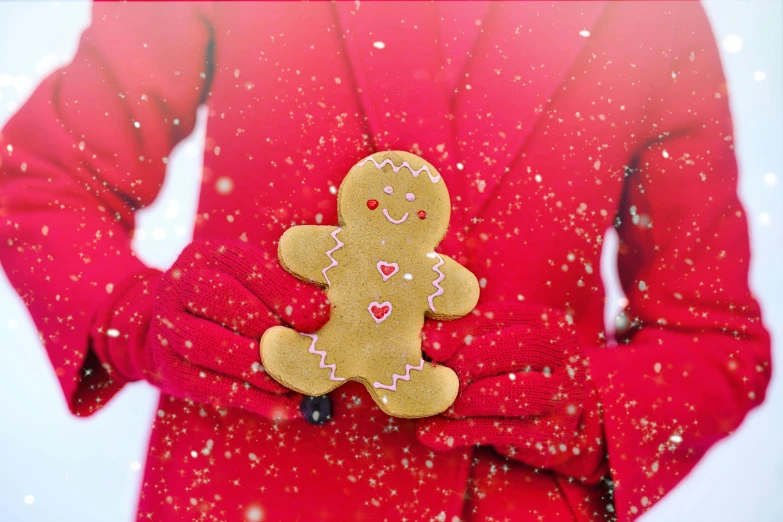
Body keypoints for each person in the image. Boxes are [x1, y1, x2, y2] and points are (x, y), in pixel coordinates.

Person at [0, 2, 771, 520]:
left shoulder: (653, 21)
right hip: (243, 490)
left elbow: (715, 341)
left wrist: (584, 411)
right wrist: (133, 318)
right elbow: (40, 181)